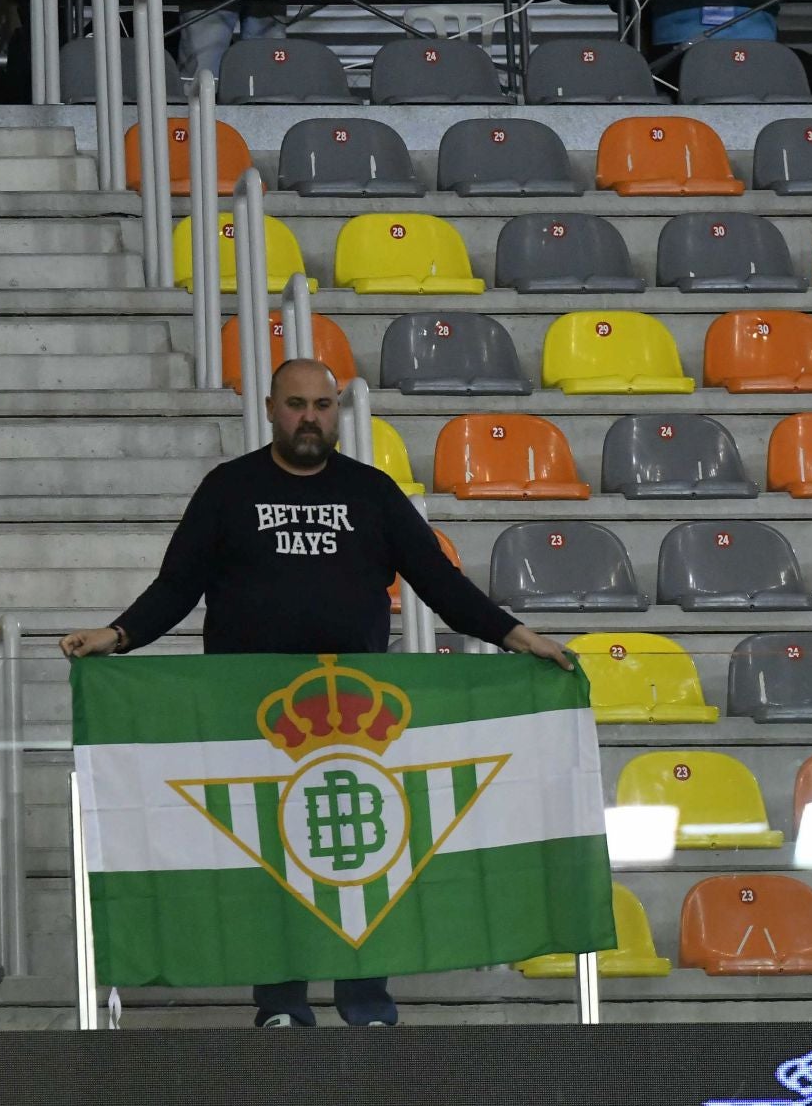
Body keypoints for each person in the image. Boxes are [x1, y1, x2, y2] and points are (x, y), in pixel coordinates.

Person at [60, 358, 574, 1030]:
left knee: (365, 858)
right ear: (272, 408)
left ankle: (366, 1006)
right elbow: (176, 586)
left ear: (340, 412)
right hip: (249, 719)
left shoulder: (373, 493)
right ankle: (280, 1006)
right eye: (298, 404)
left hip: (359, 719)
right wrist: (121, 633)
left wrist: (517, 636)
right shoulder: (228, 489)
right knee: (270, 863)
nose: (311, 418)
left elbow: (441, 585)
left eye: (324, 405)